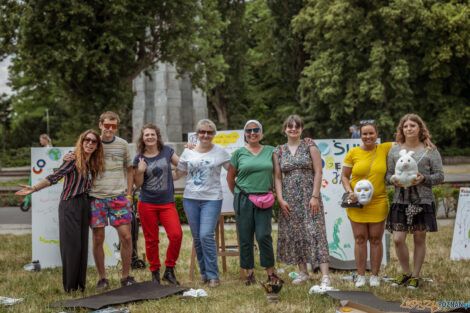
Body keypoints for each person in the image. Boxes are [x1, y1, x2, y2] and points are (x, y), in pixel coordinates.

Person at [16, 129, 104, 292]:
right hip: (70, 204)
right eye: (87, 140)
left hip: (85, 204)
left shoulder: (93, 163)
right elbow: (54, 177)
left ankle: (80, 286)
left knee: (83, 245)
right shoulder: (72, 160)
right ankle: (70, 287)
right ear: (82, 141)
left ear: (98, 145)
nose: (90, 143)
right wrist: (34, 188)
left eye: (94, 141)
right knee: (71, 246)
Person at [65, 111, 135, 290]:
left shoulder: (123, 145)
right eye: (107, 125)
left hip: (118, 197)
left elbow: (129, 170)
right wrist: (68, 157)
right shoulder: (93, 144)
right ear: (100, 125)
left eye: (114, 126)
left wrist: (128, 195)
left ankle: (126, 276)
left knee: (126, 237)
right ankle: (102, 278)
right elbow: (78, 156)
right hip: (96, 198)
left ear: (116, 127)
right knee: (98, 238)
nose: (110, 129)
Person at [386, 114, 444, 289]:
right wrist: (392, 181)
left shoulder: (430, 150)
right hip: (400, 200)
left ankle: (415, 276)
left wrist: (423, 178)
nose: (409, 128)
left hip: (423, 201)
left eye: (412, 125)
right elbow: (388, 174)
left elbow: (440, 176)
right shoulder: (394, 150)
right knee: (397, 239)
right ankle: (406, 273)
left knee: (419, 238)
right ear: (401, 130)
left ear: (420, 128)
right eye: (405, 126)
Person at [273, 115, 331, 287]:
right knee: (295, 234)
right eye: (290, 126)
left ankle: (326, 275)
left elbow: (318, 172)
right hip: (289, 199)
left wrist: (314, 196)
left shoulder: (310, 146)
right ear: (285, 129)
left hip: (309, 197)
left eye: (297, 126)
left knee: (316, 232)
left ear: (301, 129)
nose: (293, 129)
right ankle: (303, 272)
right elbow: (277, 176)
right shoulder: (279, 151)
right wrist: (280, 199)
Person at [174, 119, 231, 288]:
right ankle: (204, 274)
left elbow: (233, 169)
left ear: (214, 134)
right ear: (197, 134)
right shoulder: (188, 152)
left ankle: (214, 275)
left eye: (209, 132)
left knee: (206, 235)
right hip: (190, 198)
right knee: (198, 238)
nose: (205, 135)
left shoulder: (221, 152)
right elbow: (178, 174)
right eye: (202, 132)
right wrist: (157, 173)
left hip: (212, 199)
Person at [226, 120, 281, 285]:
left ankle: (270, 273)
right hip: (243, 199)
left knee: (264, 235)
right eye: (249, 130)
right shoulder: (239, 153)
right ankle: (249, 273)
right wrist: (239, 194)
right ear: (245, 134)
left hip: (265, 199)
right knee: (245, 237)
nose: (252, 133)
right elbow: (230, 177)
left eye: (256, 130)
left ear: (261, 133)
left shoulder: (271, 151)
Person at [340, 120, 393, 287]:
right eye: (365, 134)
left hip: (378, 202)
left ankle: (375, 276)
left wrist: (426, 141)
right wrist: (350, 192)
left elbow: (407, 140)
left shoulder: (385, 148)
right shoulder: (353, 153)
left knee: (376, 239)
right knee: (360, 239)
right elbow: (344, 176)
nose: (368, 136)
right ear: (360, 135)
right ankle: (361, 275)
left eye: (371, 133)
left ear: (377, 135)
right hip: (357, 203)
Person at [133, 123, 182, 285]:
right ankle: (155, 273)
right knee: (151, 240)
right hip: (146, 203)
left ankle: (169, 270)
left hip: (167, 203)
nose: (149, 137)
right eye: (146, 135)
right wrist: (139, 171)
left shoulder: (167, 151)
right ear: (143, 138)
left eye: (152, 134)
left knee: (176, 235)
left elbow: (181, 165)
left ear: (157, 136)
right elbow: (138, 184)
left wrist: (191, 152)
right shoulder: (139, 157)